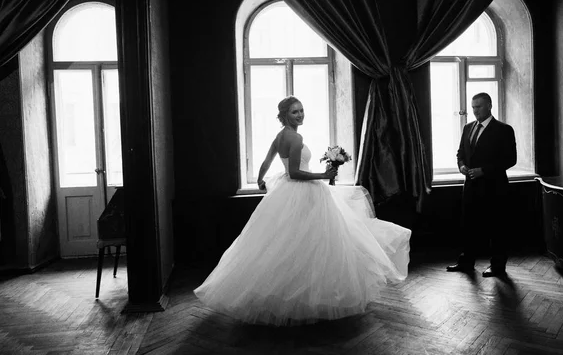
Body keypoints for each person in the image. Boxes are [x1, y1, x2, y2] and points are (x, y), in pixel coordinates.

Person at [194, 96, 411, 326]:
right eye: (295, 112)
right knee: (311, 244)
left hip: (285, 194)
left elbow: (268, 161)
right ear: (285, 115)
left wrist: (260, 179)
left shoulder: (279, 136)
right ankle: (306, 299)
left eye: (301, 110)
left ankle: (287, 296)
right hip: (303, 192)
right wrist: (323, 176)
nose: (300, 115)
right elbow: (295, 173)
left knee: (286, 244)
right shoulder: (295, 138)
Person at [447, 92, 517, 277]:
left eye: (478, 107)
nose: (475, 110)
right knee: (469, 226)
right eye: (473, 107)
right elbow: (460, 153)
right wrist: (461, 166)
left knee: (497, 228)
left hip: (495, 188)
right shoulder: (468, 127)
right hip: (470, 187)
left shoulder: (504, 129)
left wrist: (483, 171)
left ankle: (497, 266)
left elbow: (510, 159)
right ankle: (466, 262)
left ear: (489, 106)